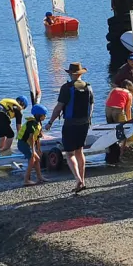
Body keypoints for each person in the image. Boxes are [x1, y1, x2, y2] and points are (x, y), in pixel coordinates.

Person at [47, 62, 95, 193]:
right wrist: (88, 120)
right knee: (80, 151)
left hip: (70, 124)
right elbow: (91, 107)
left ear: (70, 73)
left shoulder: (66, 88)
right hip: (84, 123)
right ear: (80, 74)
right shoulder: (89, 87)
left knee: (69, 153)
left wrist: (50, 122)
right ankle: (83, 180)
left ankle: (78, 179)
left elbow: (58, 108)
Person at [17, 104, 48, 186]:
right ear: (38, 115)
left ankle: (39, 177)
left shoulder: (38, 124)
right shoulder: (31, 124)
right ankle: (26, 180)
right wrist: (33, 151)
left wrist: (39, 149)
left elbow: (37, 138)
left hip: (29, 144)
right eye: (44, 115)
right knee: (32, 159)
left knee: (37, 159)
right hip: (22, 144)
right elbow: (31, 138)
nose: (45, 117)